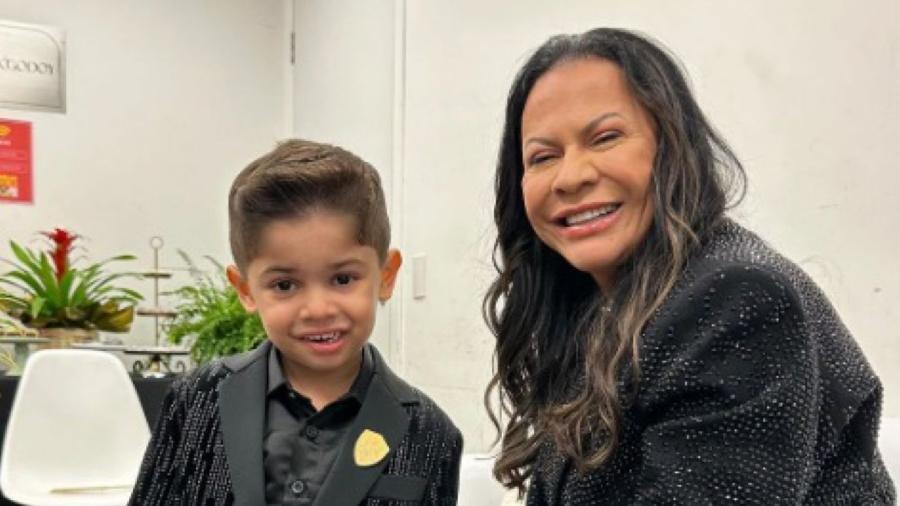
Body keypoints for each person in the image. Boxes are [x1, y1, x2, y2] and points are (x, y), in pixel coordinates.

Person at [483, 27, 895, 504]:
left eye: (606, 137)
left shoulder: (738, 300)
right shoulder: (600, 307)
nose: (571, 176)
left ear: (672, 144)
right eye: (543, 156)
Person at [130, 139, 463, 505]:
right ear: (245, 290)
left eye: (343, 279)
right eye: (284, 285)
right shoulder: (195, 400)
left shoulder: (431, 433)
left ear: (386, 275)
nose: (317, 309)